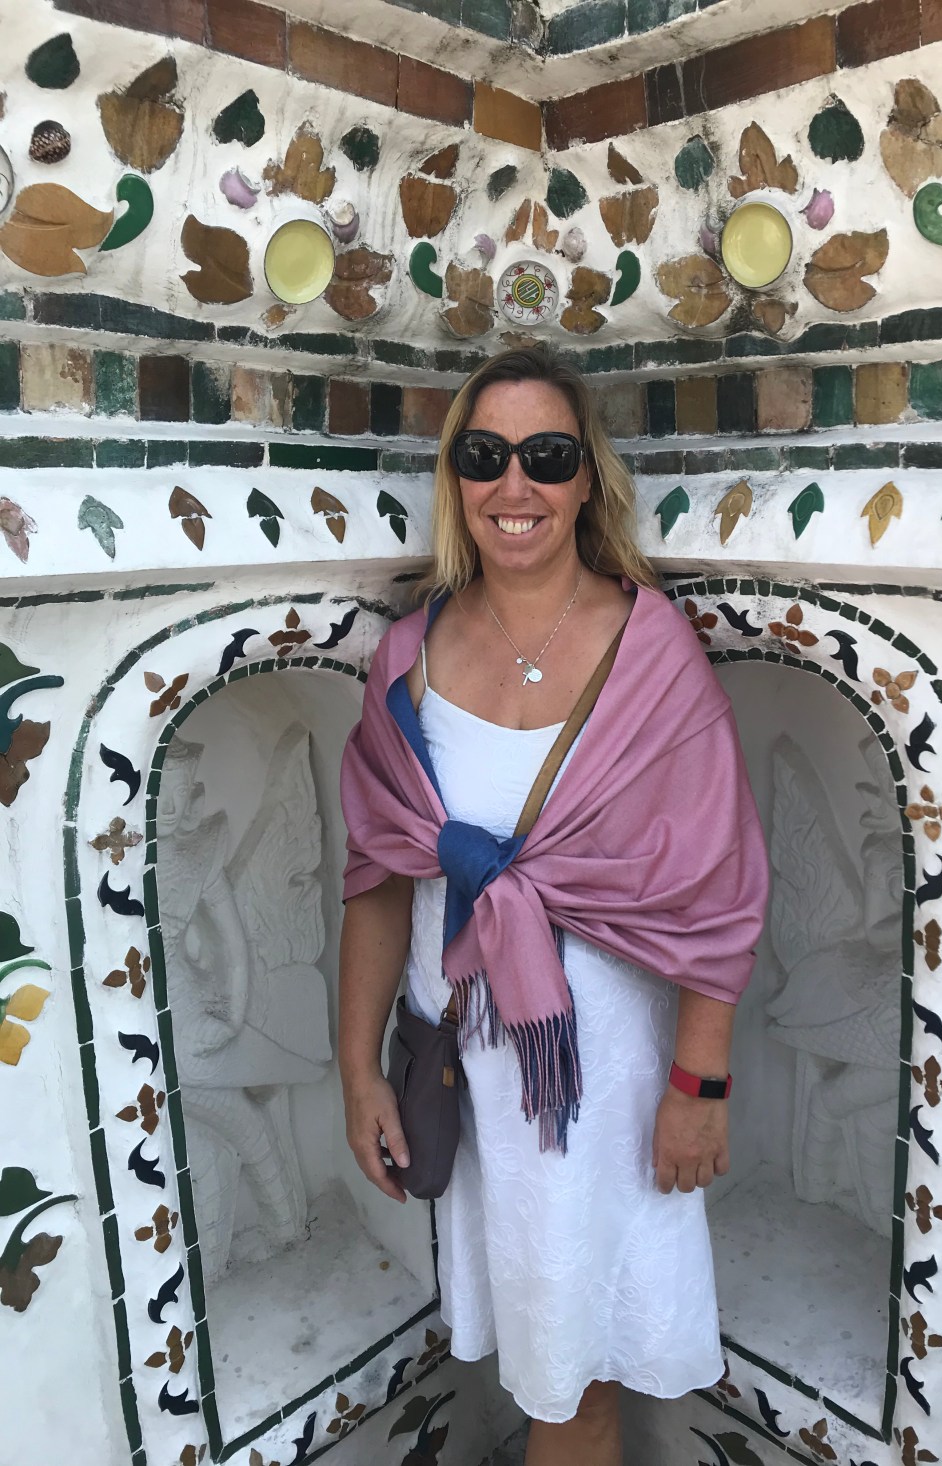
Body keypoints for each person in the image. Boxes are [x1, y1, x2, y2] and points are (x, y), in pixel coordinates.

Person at [338, 346, 768, 1466]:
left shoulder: (650, 653)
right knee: (546, 1360)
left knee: (574, 1377)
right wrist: (357, 1071)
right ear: (456, 477)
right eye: (485, 455)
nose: (514, 484)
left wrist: (699, 1087)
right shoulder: (409, 656)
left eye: (547, 456)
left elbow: (717, 895)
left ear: (587, 480)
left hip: (599, 1084)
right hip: (468, 1071)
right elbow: (377, 879)